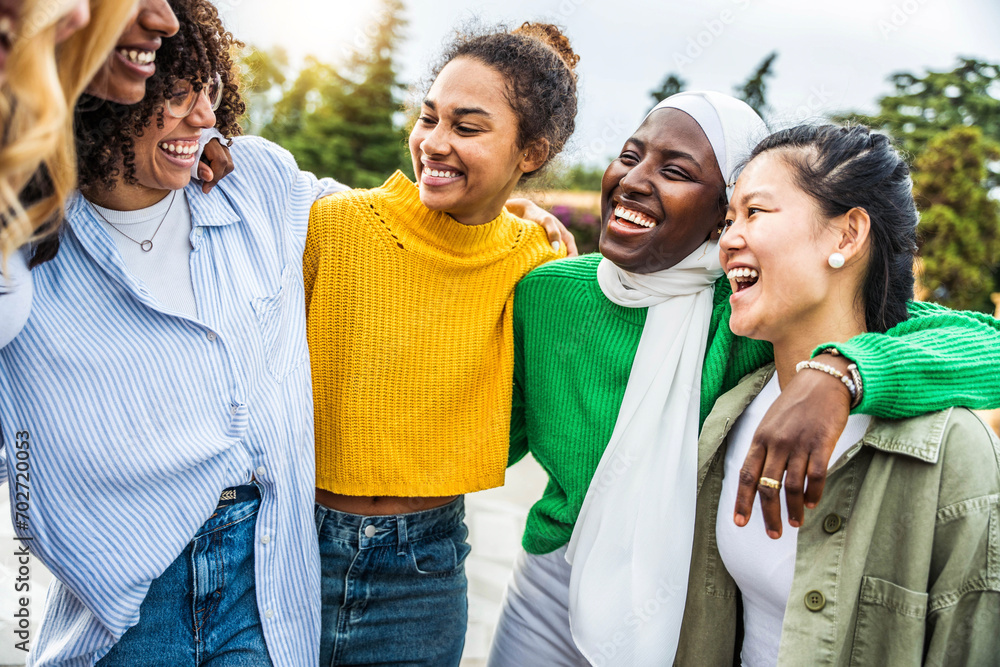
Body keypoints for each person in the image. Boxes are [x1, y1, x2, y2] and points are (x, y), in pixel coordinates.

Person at [489, 94, 1000, 666]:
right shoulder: (550, 292)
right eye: (628, 155)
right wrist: (485, 230)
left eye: (749, 214)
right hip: (556, 576)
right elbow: (484, 436)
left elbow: (983, 339)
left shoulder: (746, 313)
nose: (633, 179)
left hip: (677, 602)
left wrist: (840, 373)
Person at [0, 0, 343, 662]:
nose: (205, 116)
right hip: (125, 601)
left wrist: (492, 216)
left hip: (265, 575)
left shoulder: (256, 183)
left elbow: (372, 225)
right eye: (178, 95)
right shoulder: (31, 244)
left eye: (210, 90)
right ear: (106, 103)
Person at [676, 123, 1000, 665]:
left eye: (755, 213)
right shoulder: (731, 397)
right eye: (727, 219)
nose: (728, 238)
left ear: (846, 237)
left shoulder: (950, 450)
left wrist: (841, 374)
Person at [304, 22, 577, 666]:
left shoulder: (537, 261)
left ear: (531, 152)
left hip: (424, 572)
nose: (434, 143)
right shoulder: (334, 226)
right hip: (289, 544)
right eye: (429, 117)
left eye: (467, 127)